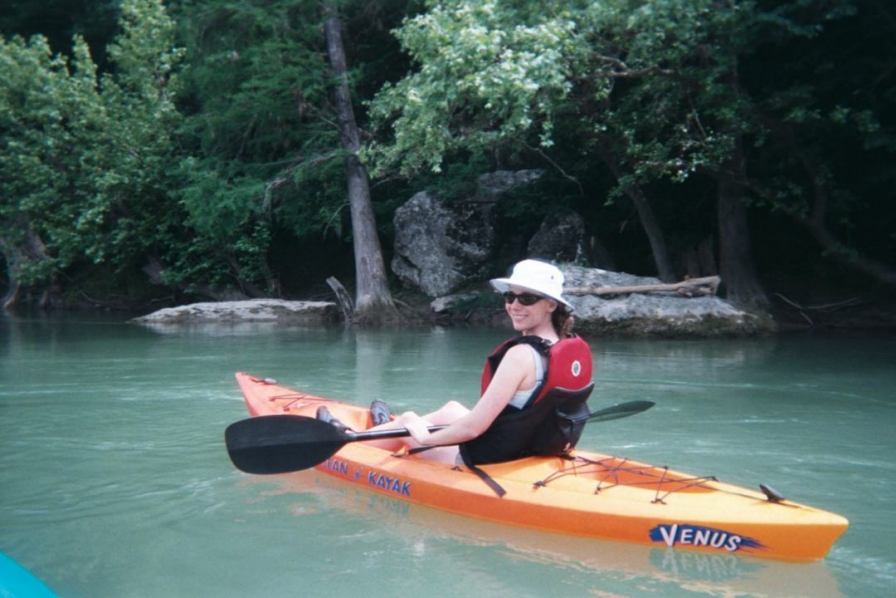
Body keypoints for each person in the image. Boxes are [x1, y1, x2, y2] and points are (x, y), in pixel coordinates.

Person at [319, 259, 594, 469]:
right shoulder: (567, 346)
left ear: (551, 305)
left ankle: (351, 444)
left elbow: (473, 429)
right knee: (451, 409)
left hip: (490, 456)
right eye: (510, 296)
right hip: (529, 445)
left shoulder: (520, 356)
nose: (514, 305)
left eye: (527, 298)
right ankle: (380, 431)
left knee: (408, 419)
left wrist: (422, 438)